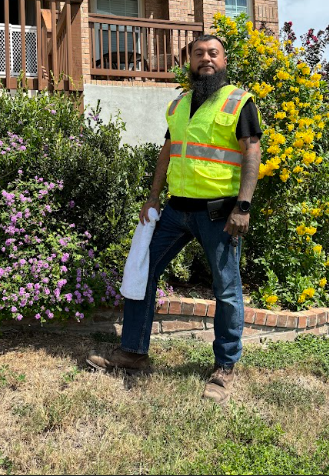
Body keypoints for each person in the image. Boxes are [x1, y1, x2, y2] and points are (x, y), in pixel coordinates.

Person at [87, 34, 262, 405]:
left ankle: (225, 366)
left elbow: (251, 153)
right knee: (143, 272)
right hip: (175, 210)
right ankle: (133, 353)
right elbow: (167, 154)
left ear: (224, 59)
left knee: (226, 288)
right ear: (189, 61)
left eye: (213, 53)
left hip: (219, 214)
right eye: (198, 53)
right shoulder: (179, 104)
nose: (206, 59)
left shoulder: (239, 102)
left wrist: (242, 206)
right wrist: (152, 198)